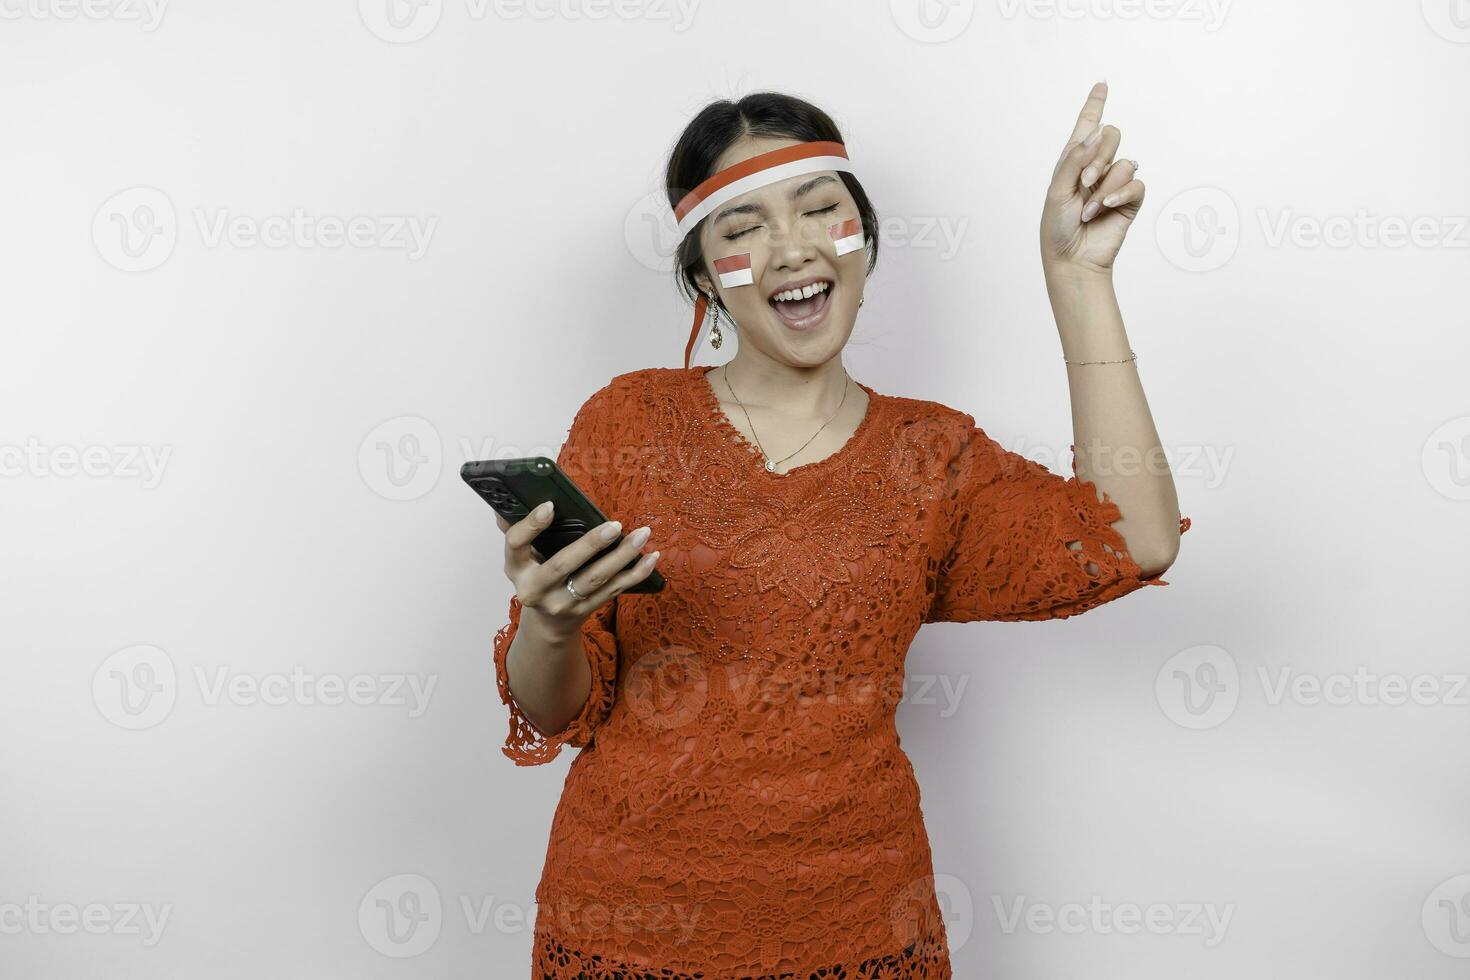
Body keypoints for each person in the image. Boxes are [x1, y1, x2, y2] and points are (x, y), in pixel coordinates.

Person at [490, 82, 1190, 979]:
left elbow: (1135, 538)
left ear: (862, 242)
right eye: (741, 228)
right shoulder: (628, 421)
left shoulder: (932, 454)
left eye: (820, 209)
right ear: (703, 274)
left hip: (859, 924)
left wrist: (1079, 279)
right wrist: (547, 622)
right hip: (626, 925)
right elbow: (552, 710)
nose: (791, 246)